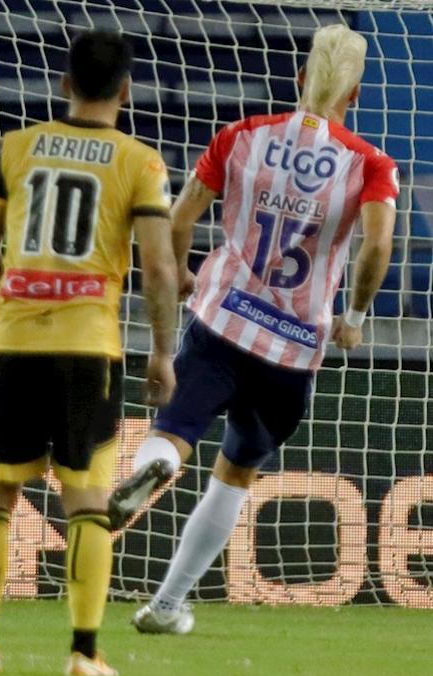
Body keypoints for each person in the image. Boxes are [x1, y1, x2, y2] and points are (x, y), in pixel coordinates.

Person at [107, 24, 398, 634]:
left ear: (300, 78)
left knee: (175, 429)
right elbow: (377, 245)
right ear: (355, 94)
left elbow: (179, 217)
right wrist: (354, 318)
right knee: (236, 474)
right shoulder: (370, 164)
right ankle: (167, 605)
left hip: (222, 322)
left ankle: (158, 462)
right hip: (292, 349)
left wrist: (182, 272)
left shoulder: (242, 135)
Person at [0, 31, 180, 676]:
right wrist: (163, 352)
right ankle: (84, 651)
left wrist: (10, 300)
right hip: (88, 346)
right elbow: (159, 269)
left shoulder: (14, 147)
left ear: (65, 84)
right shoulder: (141, 162)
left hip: (15, 341)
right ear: (126, 90)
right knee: (86, 497)